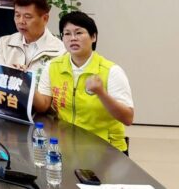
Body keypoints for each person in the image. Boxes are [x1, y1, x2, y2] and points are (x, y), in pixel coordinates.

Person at [34, 12, 134, 152]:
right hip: (67, 147)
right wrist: (26, 82)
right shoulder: (52, 67)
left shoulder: (111, 71)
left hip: (106, 149)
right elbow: (42, 106)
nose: (73, 38)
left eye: (79, 33)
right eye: (67, 34)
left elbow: (127, 118)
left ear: (93, 37)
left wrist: (101, 93)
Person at [0, 0, 64, 83]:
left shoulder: (60, 51)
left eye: (27, 17)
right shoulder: (5, 42)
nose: (21, 21)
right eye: (17, 15)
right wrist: (8, 72)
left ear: (45, 19)